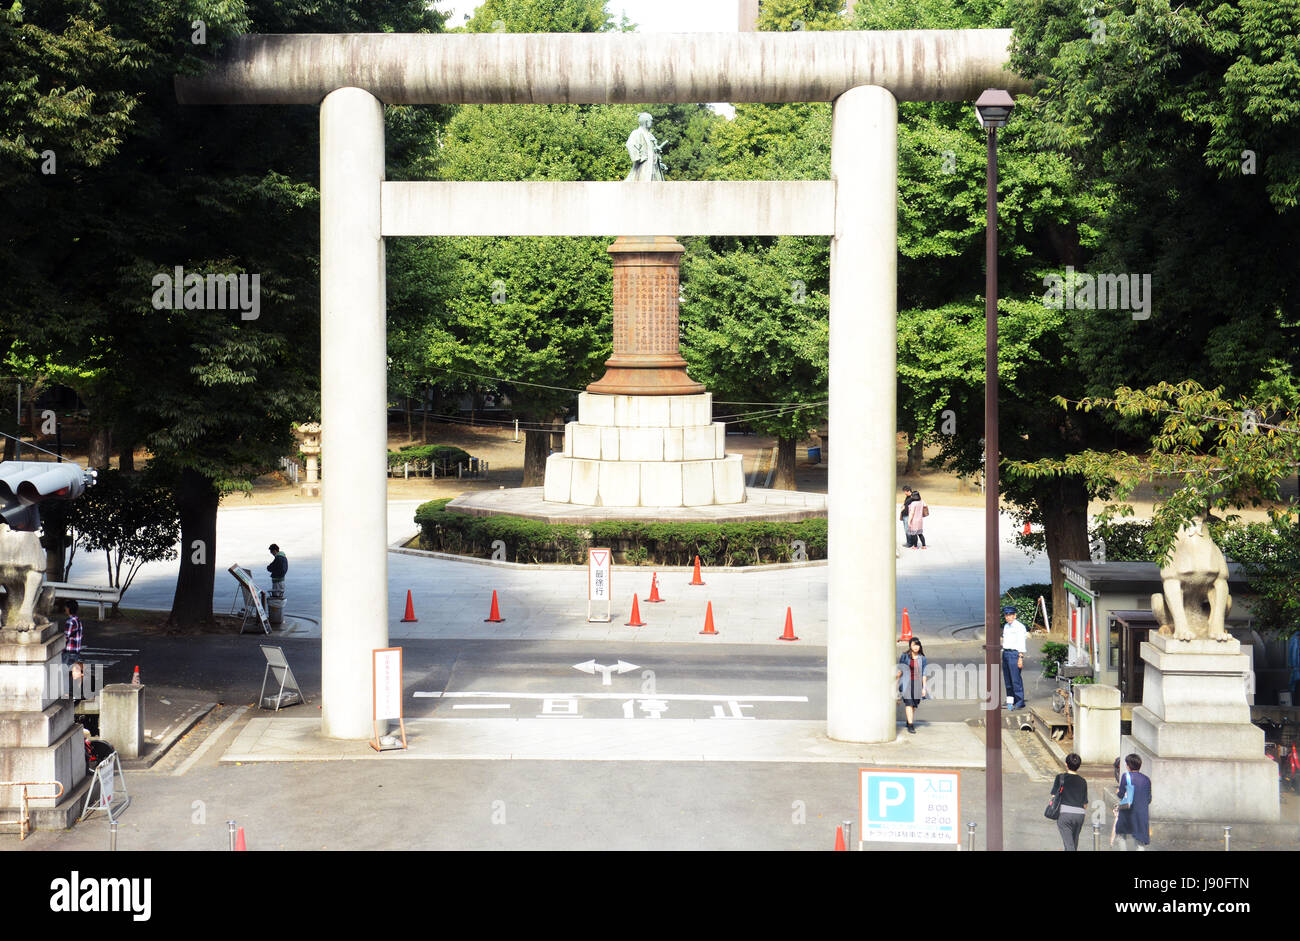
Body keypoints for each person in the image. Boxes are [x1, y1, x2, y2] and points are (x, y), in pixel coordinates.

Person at [1051, 753, 1089, 850]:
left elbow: (1053, 796)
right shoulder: (1083, 781)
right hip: (1079, 815)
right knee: (1073, 843)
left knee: (1069, 845)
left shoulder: (1060, 778)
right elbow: (1085, 804)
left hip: (1065, 814)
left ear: (1066, 764)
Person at [1114, 753, 1152, 851]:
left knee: (1120, 835)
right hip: (1141, 813)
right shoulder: (1146, 779)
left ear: (1128, 766)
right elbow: (1149, 799)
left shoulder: (1126, 776)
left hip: (1127, 810)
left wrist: (1118, 792)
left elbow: (1121, 794)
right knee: (1139, 840)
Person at [895, 637, 928, 734]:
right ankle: (910, 725)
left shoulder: (922, 658)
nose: (916, 647)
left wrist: (924, 688)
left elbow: (924, 674)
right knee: (909, 703)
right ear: (910, 646)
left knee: (914, 705)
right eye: (914, 645)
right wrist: (897, 684)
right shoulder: (905, 656)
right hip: (906, 683)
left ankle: (909, 720)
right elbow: (900, 670)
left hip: (917, 683)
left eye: (917, 645)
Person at [1001, 605, 1027, 710]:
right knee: (1008, 681)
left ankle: (1020, 702)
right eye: (1006, 615)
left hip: (1014, 654)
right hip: (1006, 653)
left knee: (1015, 679)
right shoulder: (1006, 626)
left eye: (1010, 615)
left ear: (1015, 615)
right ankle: (1010, 701)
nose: (1008, 617)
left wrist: (1020, 657)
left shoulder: (1019, 627)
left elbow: (1021, 643)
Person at [61, 599, 83, 691]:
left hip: (69, 652)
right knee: (74, 672)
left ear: (69, 609)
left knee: (64, 673)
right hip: (76, 652)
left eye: (66, 608)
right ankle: (76, 691)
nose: (65, 609)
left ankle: (65, 693)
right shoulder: (78, 621)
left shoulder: (70, 622)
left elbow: (66, 636)